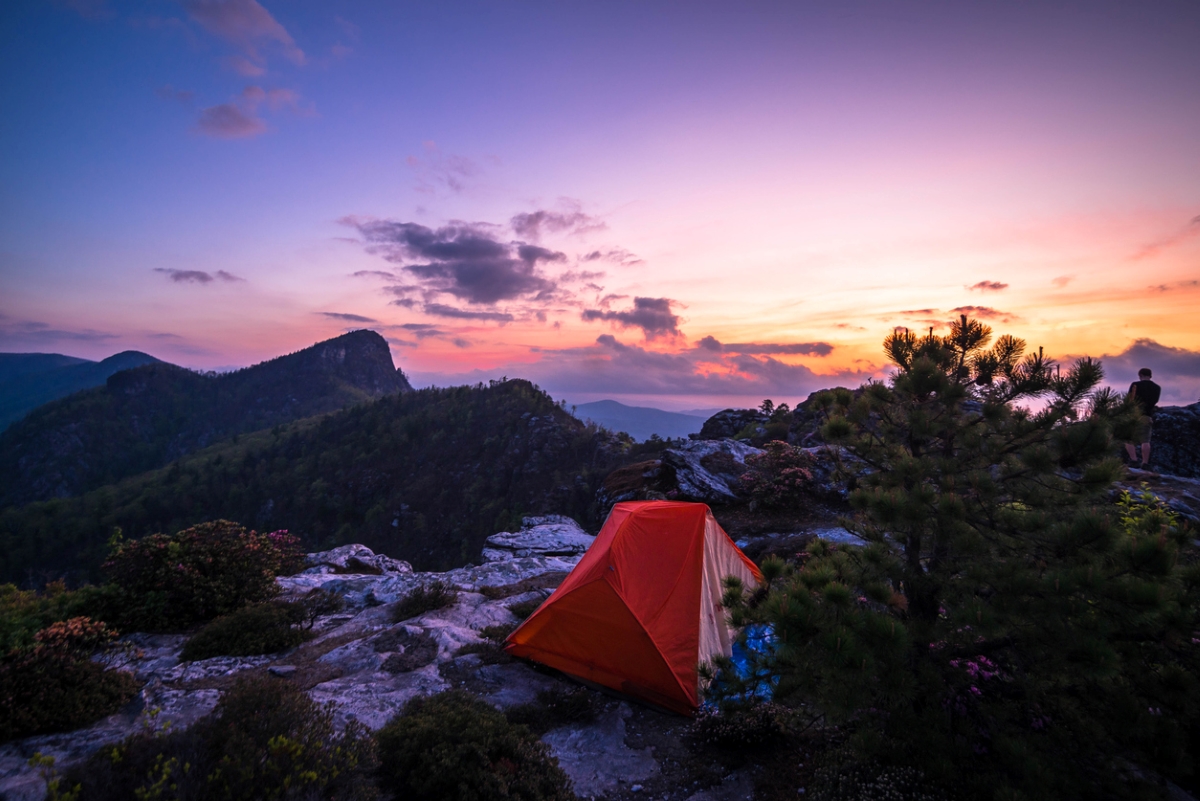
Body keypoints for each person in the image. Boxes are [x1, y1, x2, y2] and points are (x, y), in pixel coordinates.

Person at [1125, 368, 1162, 469]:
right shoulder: (1157, 388)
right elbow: (1155, 401)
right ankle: (1145, 463)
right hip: (1147, 415)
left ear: (1140, 375)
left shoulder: (1135, 385)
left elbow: (1130, 399)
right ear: (1150, 375)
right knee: (1145, 441)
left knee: (1128, 439)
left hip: (1134, 415)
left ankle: (1134, 460)